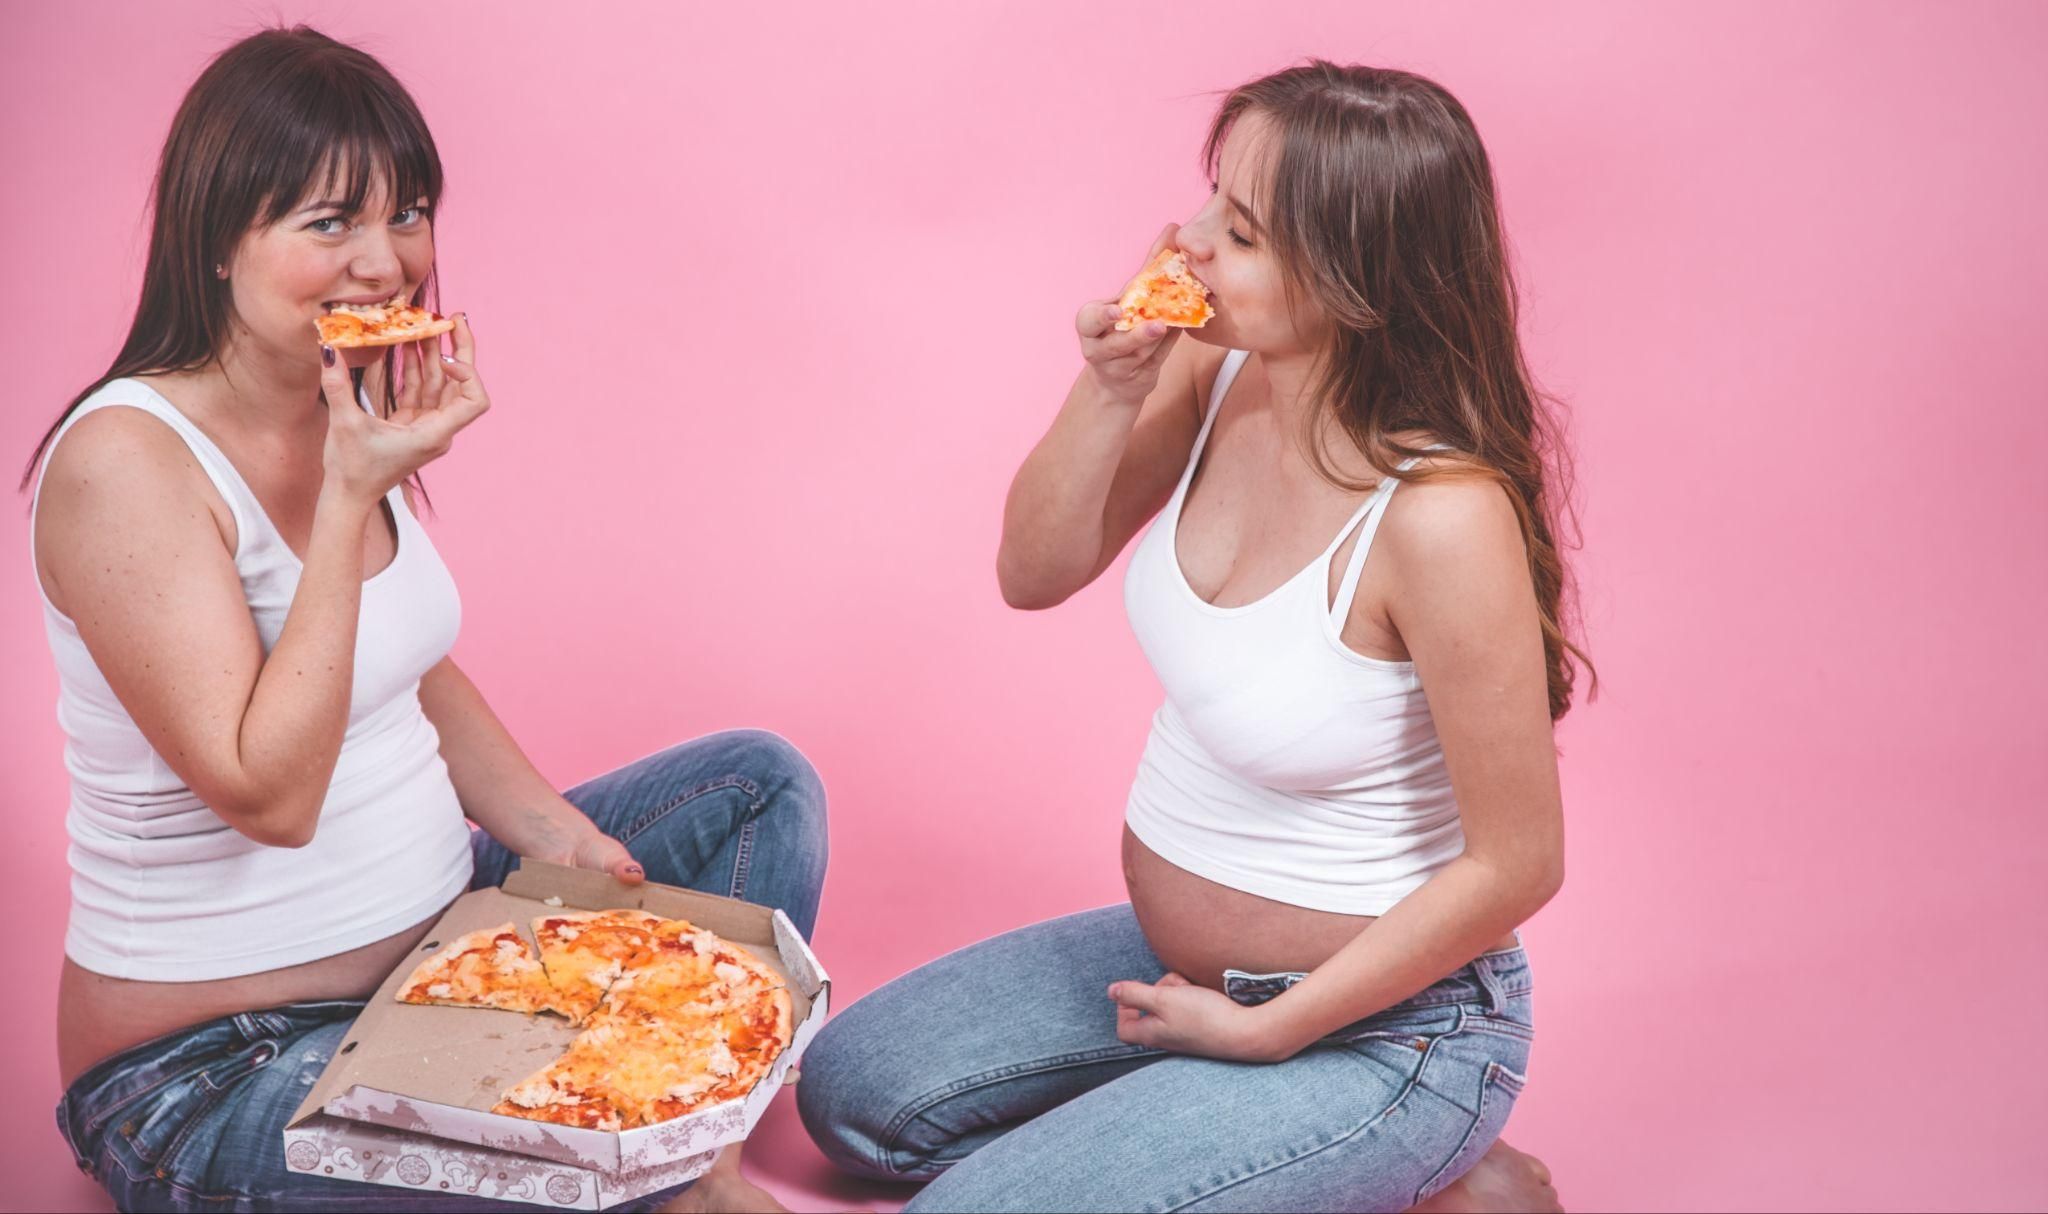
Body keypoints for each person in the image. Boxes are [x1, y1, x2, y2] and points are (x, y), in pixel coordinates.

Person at [26, 27, 825, 1213]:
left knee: (756, 786)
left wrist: (553, 831)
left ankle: (670, 1147)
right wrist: (352, 495)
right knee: (596, 1154)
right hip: (222, 1067)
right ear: (216, 243)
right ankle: (680, 1168)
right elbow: (266, 793)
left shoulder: (333, 395)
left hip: (442, 959)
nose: (385, 261)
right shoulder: (126, 465)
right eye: (329, 223)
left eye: (407, 213)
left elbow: (405, 666)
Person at [796, 61, 1586, 1212]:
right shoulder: (1216, 368)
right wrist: (1108, 390)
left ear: (1357, 282)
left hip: (1386, 1024)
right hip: (1180, 968)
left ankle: (1422, 1146)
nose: (1188, 238)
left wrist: (1271, 1033)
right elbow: (1033, 571)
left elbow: (1519, 862)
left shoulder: (1439, 516)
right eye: (1212, 198)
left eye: (1244, 231)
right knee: (851, 1094)